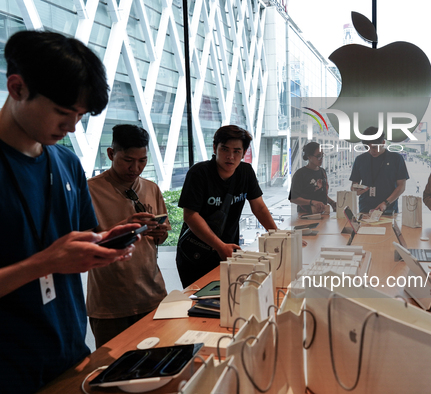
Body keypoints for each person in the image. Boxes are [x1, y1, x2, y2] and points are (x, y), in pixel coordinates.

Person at [0, 31, 138, 393]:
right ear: (17, 88)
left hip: (69, 356)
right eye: (63, 112)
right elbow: (53, 258)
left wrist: (106, 245)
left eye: (80, 114)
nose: (72, 126)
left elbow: (76, 242)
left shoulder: (66, 162)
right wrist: (43, 263)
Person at [86, 124, 171, 348]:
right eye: (128, 160)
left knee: (158, 364)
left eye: (142, 160)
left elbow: (161, 239)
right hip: (110, 305)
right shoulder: (89, 191)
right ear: (111, 154)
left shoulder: (151, 188)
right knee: (112, 374)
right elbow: (81, 245)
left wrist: (159, 233)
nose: (136, 167)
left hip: (152, 297)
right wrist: (124, 227)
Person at [176, 125, 278, 287]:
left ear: (244, 153)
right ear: (215, 148)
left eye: (237, 151)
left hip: (229, 250)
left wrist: (278, 236)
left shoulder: (245, 172)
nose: (230, 156)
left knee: (230, 296)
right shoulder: (199, 173)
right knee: (200, 302)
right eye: (225, 149)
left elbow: (258, 207)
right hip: (196, 253)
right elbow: (190, 215)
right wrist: (219, 246)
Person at [349, 127, 409, 215]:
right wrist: (355, 191)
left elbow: (401, 186)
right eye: (367, 147)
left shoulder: (396, 159)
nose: (371, 151)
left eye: (374, 147)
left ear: (383, 143)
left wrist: (386, 203)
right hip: (365, 209)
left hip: (389, 209)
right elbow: (353, 186)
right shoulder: (360, 160)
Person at [289, 141, 337, 214]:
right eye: (318, 156)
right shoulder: (300, 174)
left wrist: (332, 203)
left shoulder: (322, 172)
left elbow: (321, 194)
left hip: (323, 213)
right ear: (309, 156)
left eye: (322, 155)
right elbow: (293, 198)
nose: (321, 158)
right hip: (305, 215)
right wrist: (312, 202)